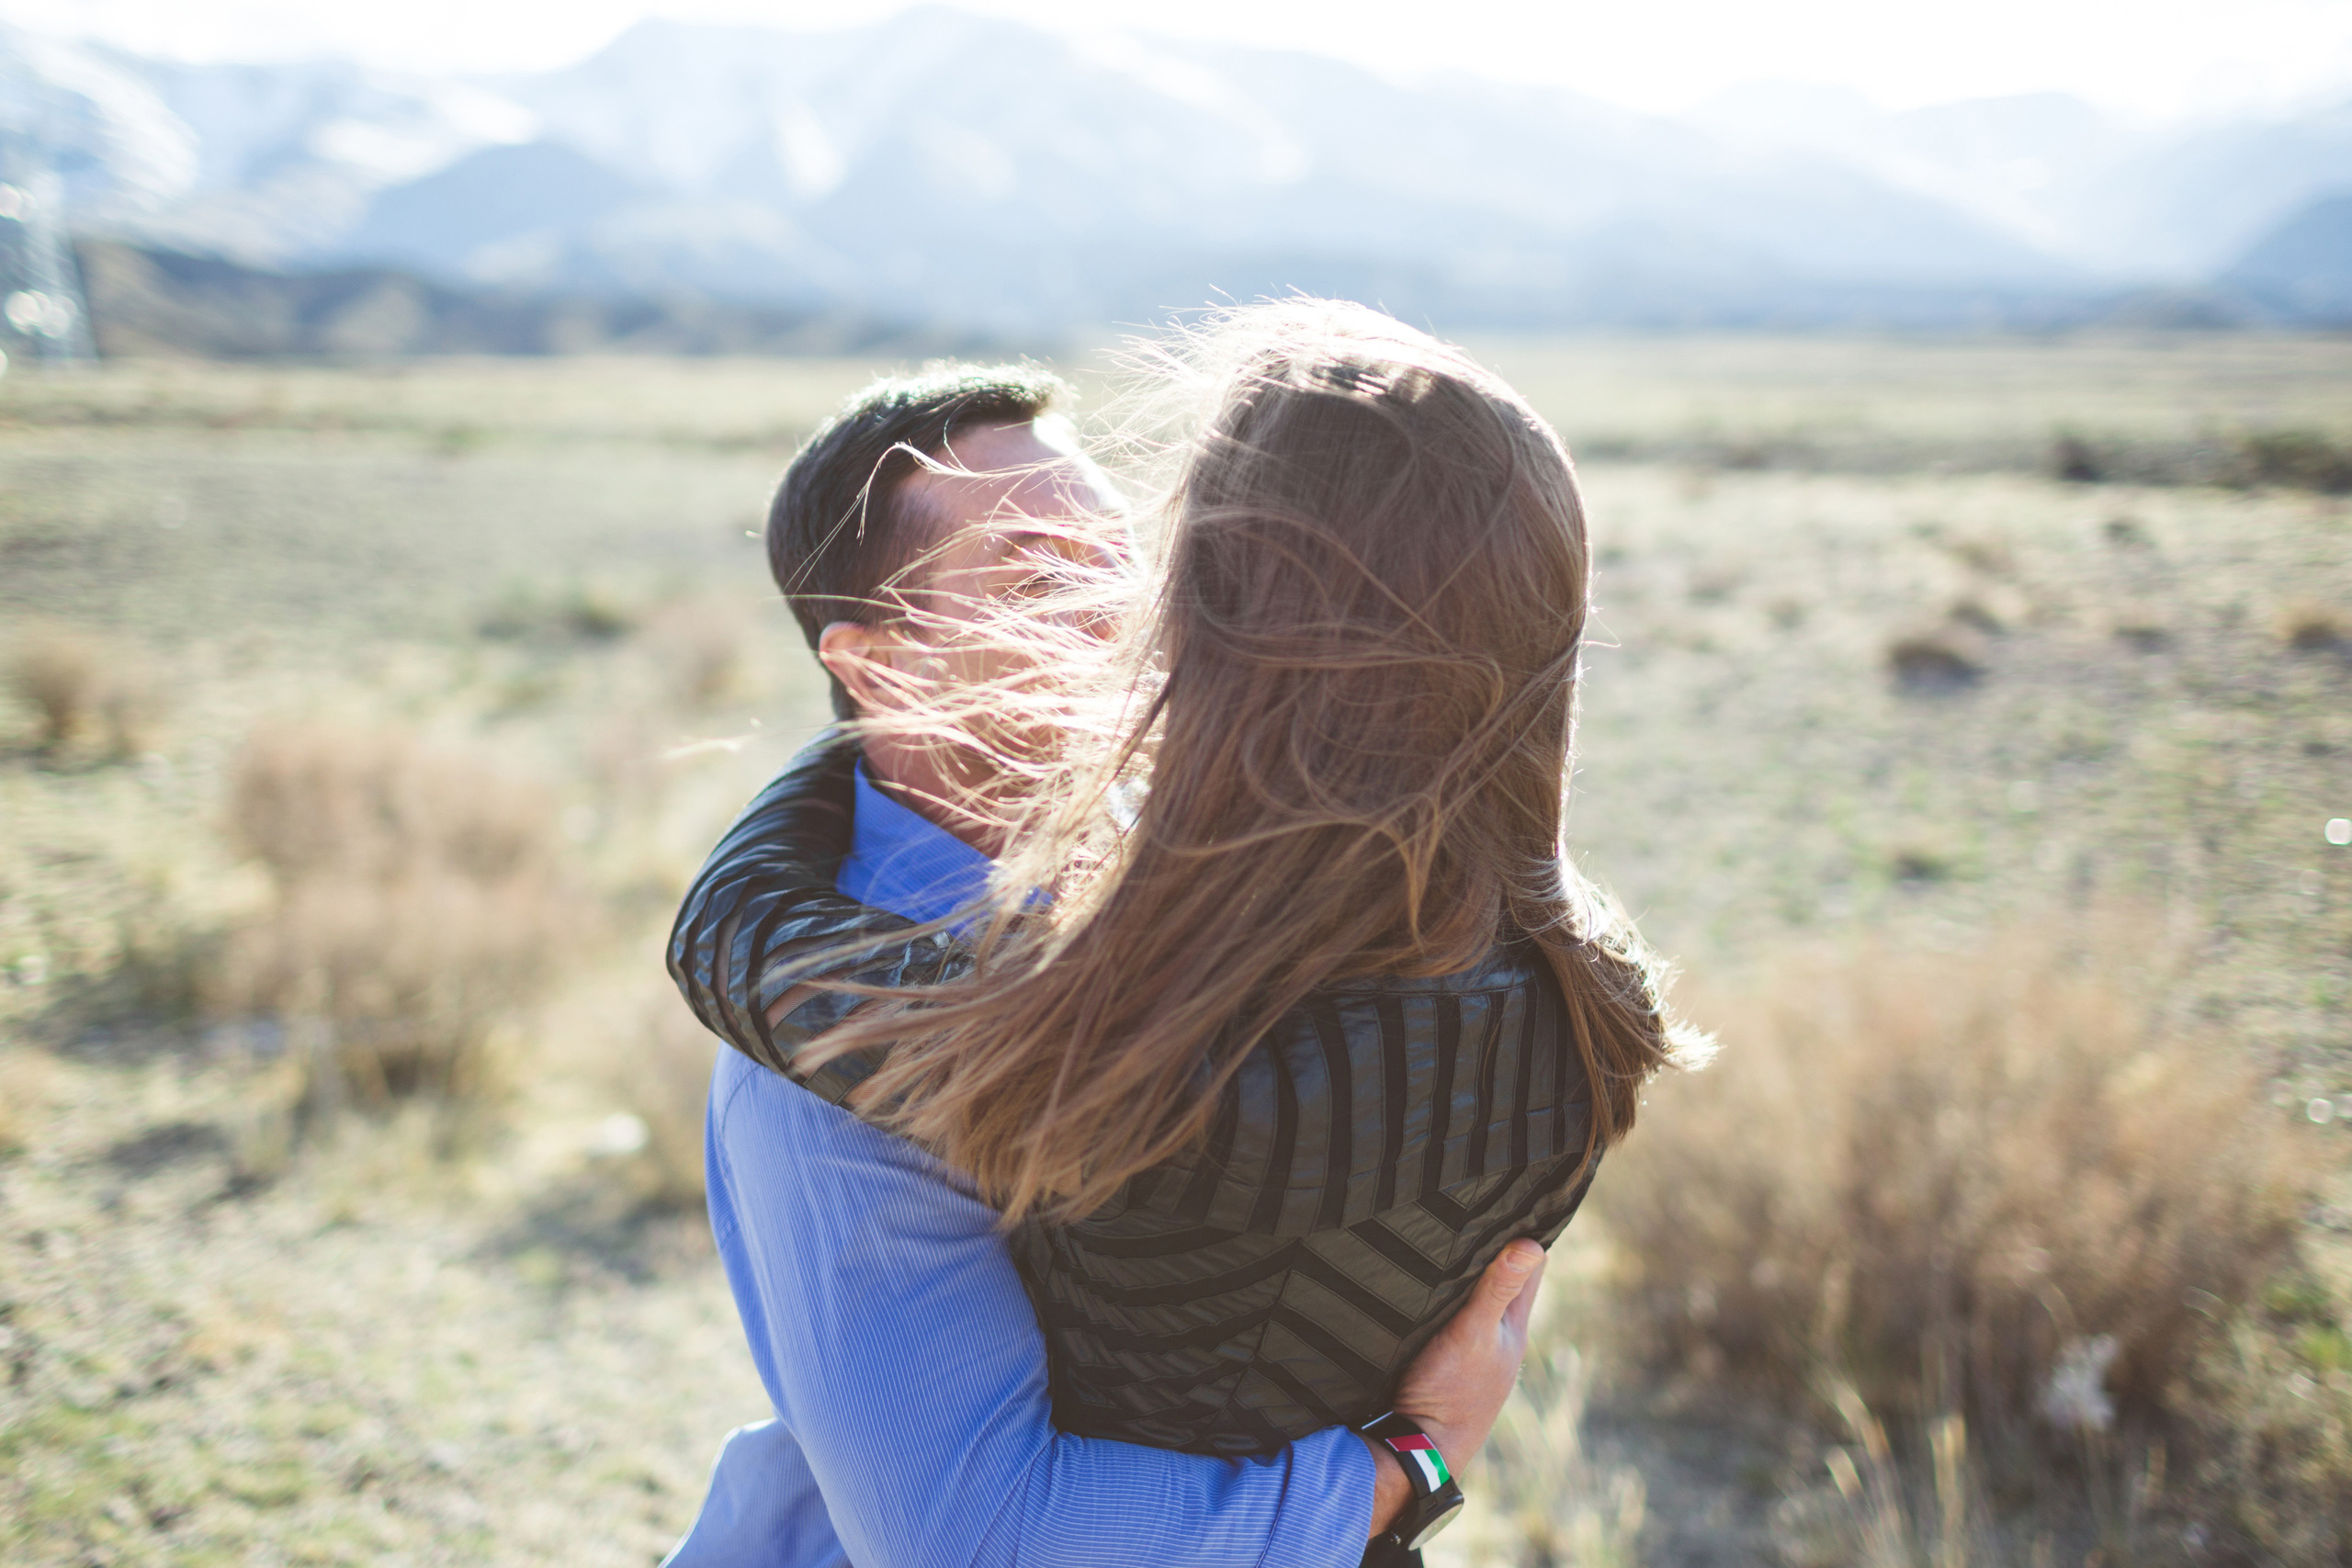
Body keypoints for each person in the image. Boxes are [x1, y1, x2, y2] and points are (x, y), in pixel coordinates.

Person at [669, 307, 1691, 1562]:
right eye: (1045, 574)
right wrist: (1407, 1468)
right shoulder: (830, 1044)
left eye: (1137, 556)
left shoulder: (1243, 876)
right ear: (876, 669)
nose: (1132, 610)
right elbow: (975, 1541)